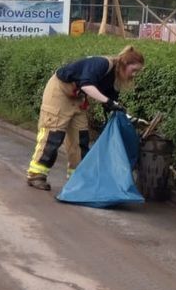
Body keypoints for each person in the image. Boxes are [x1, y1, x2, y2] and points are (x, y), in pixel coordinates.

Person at [26, 45, 146, 191]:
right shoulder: (102, 64)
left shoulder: (114, 78)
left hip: (77, 97)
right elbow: (87, 85)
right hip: (59, 91)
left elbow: (112, 103)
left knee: (80, 138)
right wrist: (108, 102)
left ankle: (77, 177)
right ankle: (36, 175)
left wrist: (126, 117)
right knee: (53, 134)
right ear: (125, 64)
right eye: (134, 70)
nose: (134, 75)